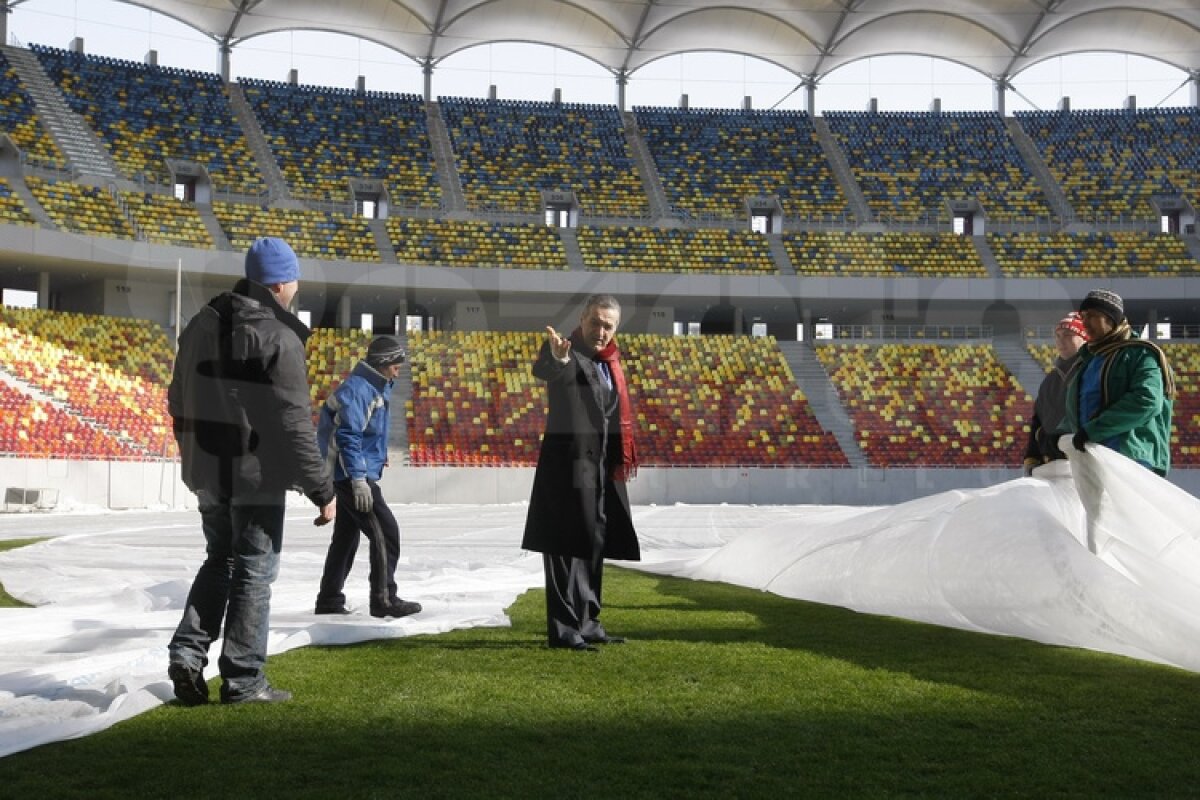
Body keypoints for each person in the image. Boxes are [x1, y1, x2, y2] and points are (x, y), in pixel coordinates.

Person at [167, 236, 336, 706]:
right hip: (255, 474)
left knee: (218, 559)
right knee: (254, 571)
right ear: (283, 282)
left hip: (207, 468)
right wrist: (322, 488)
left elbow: (177, 400)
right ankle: (243, 679)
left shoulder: (201, 322)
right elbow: (293, 422)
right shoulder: (278, 334)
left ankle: (187, 651)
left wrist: (193, 453)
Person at [521, 294, 641, 651]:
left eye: (608, 326)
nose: (601, 331)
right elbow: (547, 368)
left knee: (593, 546)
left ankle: (588, 621)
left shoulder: (611, 363)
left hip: (601, 471)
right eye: (596, 322)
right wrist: (556, 355)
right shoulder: (567, 354)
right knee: (561, 552)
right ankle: (563, 629)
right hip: (567, 472)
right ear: (583, 319)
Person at [314, 335, 422, 619]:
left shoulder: (373, 386)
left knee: (346, 539)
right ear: (384, 363)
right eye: (396, 364)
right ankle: (384, 599)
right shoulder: (362, 389)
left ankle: (329, 598)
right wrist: (359, 480)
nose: (399, 369)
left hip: (347, 473)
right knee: (386, 534)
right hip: (351, 475)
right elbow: (349, 437)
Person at [1062, 288, 1175, 476]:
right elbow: (1081, 406)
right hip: (1094, 456)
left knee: (1128, 506)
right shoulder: (1089, 360)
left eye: (1092, 316)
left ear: (1110, 318)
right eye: (1083, 316)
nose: (1085, 323)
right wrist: (1058, 432)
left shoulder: (1142, 355)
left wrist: (1092, 431)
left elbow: (1146, 400)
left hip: (1131, 457)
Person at [1022, 312, 1088, 475]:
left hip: (1082, 459)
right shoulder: (1050, 380)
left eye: (1068, 335)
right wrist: (1032, 456)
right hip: (1051, 461)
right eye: (1057, 336)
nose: (1060, 341)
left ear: (1084, 338)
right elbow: (1038, 420)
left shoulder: (1092, 372)